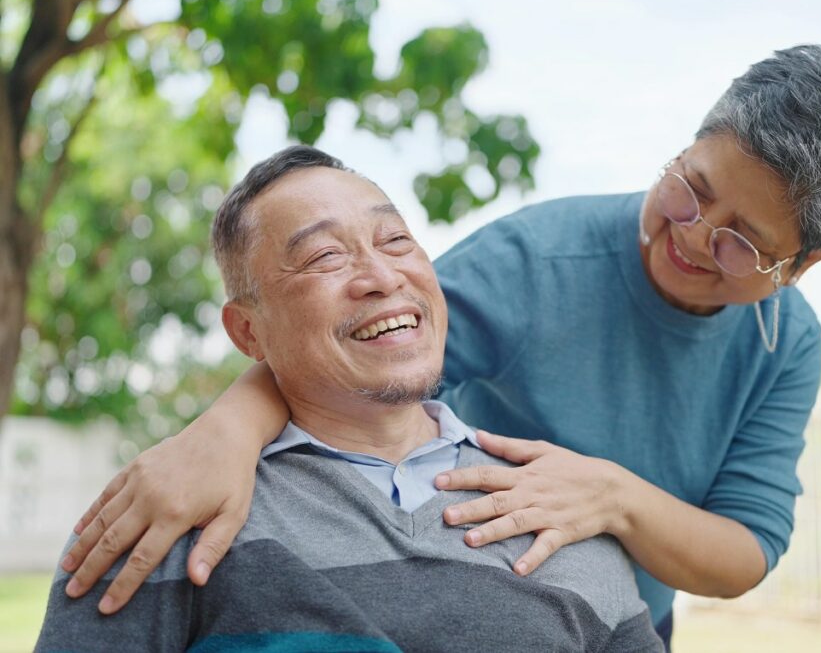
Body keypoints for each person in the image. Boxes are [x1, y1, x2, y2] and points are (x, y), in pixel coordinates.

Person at [58, 44, 821, 649]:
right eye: (690, 188)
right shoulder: (537, 262)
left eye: (742, 243)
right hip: (447, 579)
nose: (693, 237)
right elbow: (354, 348)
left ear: (805, 263)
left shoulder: (784, 343)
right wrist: (222, 431)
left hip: (610, 613)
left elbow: (744, 549)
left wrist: (612, 497)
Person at [36, 148, 662, 652]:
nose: (383, 276)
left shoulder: (562, 517)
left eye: (395, 242)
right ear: (248, 331)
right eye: (324, 256)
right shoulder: (170, 511)